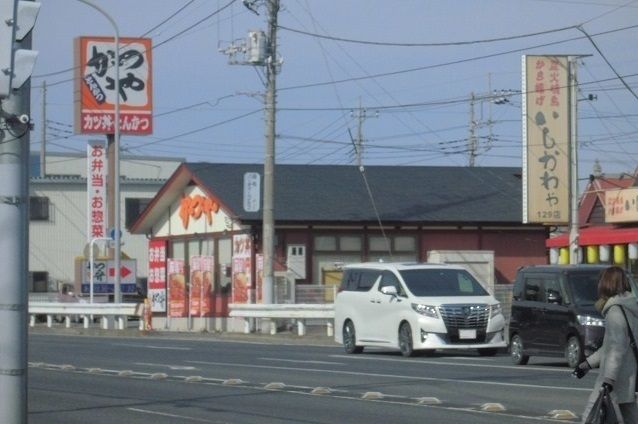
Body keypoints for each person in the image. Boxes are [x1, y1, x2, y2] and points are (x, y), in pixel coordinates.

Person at [573, 266, 638, 423]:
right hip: (628, 375)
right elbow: (610, 347)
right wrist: (586, 365)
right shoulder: (630, 307)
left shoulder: (615, 312)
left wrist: (608, 379)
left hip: (615, 376)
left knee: (591, 415)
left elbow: (615, 348)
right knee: (630, 417)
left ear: (606, 284)